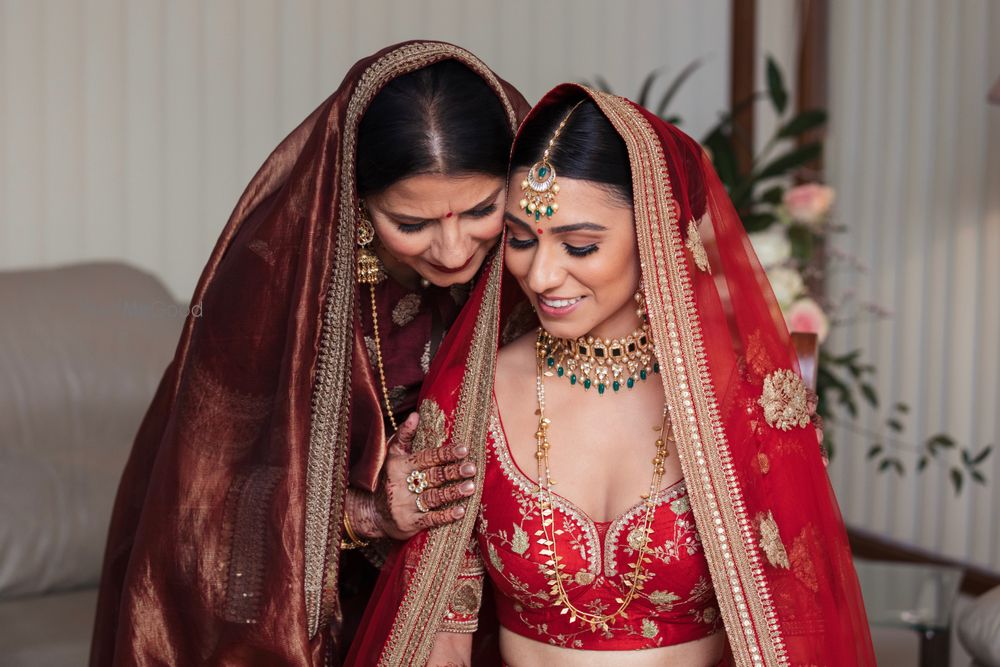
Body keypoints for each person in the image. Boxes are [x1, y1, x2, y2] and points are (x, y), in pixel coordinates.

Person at [348, 85, 877, 666]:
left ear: (657, 234)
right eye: (521, 239)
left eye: (579, 245)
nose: (542, 274)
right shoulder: (475, 393)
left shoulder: (743, 403)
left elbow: (796, 629)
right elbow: (442, 636)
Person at [89, 41, 529, 666]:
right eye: (412, 224)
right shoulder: (273, 281)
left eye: (483, 209)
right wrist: (371, 513)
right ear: (355, 200)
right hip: (321, 621)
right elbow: (205, 503)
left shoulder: (537, 264)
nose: (455, 251)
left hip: (496, 603)